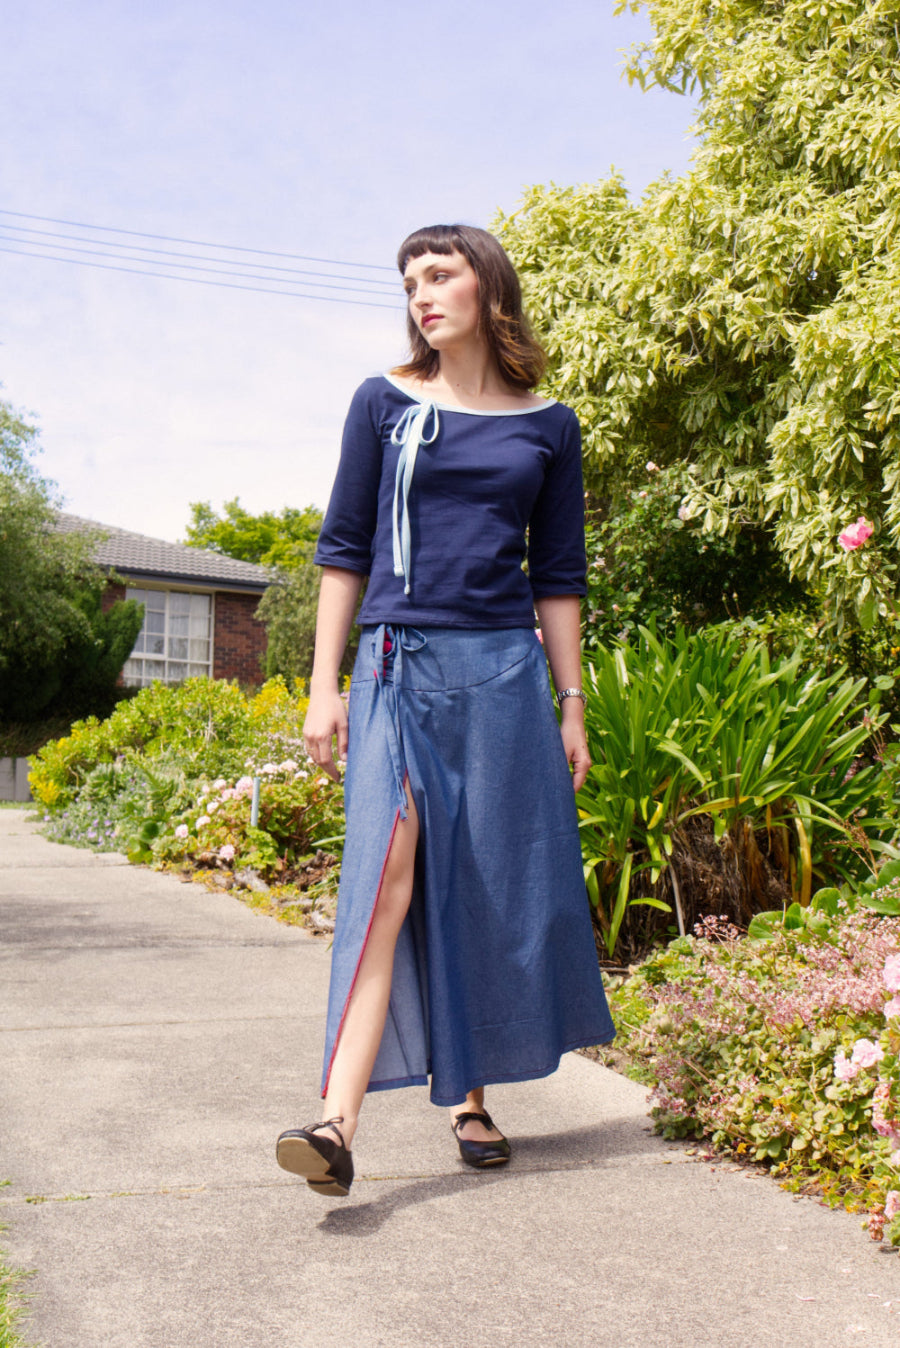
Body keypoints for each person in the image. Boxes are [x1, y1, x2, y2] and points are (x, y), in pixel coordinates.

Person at [275, 223, 614, 1198]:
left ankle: (470, 1100)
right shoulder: (383, 403)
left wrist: (572, 702)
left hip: (503, 672)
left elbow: (558, 574)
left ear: (487, 287)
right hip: (396, 665)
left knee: (478, 882)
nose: (420, 293)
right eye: (409, 281)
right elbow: (344, 546)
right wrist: (324, 685)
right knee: (386, 877)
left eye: (438, 274)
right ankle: (336, 1123)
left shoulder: (550, 425)